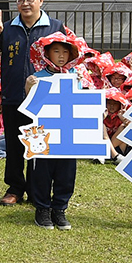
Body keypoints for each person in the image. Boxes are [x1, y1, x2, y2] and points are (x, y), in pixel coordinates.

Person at [0, 0, 66, 206]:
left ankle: (38, 190)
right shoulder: (7, 27)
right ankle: (15, 188)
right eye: (20, 0)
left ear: (41, 1)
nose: (25, 4)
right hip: (12, 95)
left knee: (39, 144)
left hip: (43, 98)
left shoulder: (56, 27)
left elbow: (66, 60)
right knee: (14, 144)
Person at [25, 31, 86, 230]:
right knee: (42, 172)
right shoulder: (38, 77)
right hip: (42, 132)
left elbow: (83, 104)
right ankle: (42, 208)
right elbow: (30, 107)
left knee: (66, 172)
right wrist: (28, 88)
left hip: (67, 133)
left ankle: (59, 208)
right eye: (56, 51)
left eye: (65, 52)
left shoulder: (76, 77)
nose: (61, 56)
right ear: (46, 54)